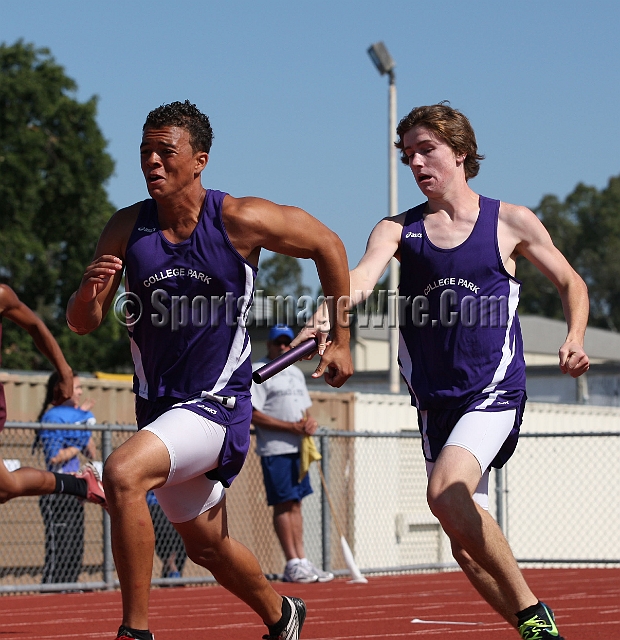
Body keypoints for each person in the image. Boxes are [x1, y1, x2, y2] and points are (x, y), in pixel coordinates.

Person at [298, 103, 588, 639]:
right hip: (435, 401)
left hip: (493, 388)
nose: (417, 163)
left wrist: (573, 338)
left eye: (426, 150)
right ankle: (536, 634)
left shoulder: (511, 221)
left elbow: (573, 283)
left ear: (459, 151)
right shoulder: (399, 230)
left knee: (444, 491)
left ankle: (534, 617)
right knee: (466, 548)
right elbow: (361, 278)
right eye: (408, 155)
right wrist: (323, 317)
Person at [66, 100, 352, 640]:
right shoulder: (126, 227)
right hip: (159, 410)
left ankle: (135, 632)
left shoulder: (237, 218)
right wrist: (87, 293)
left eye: (164, 152)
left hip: (217, 406)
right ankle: (282, 615)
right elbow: (83, 323)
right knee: (206, 546)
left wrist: (341, 339)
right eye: (145, 151)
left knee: (123, 475)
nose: (151, 161)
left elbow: (327, 245)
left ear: (198, 161)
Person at [0, 284, 105, 508]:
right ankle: (81, 485)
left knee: (4, 488)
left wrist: (65, 372)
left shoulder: (1, 295)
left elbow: (35, 326)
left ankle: (80, 485)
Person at [251, 324, 334, 584]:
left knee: (296, 503)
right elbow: (253, 414)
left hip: (299, 449)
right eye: (279, 343)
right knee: (284, 504)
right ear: (270, 345)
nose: (284, 347)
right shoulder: (259, 371)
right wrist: (291, 427)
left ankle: (302, 560)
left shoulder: (297, 373)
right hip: (276, 449)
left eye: (288, 343)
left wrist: (309, 423)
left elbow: (304, 410)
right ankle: (292, 561)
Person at [36, 371, 98, 585]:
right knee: (60, 545)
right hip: (57, 487)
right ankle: (53, 586)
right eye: (76, 387)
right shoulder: (53, 417)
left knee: (75, 544)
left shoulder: (78, 414)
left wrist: (84, 421)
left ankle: (70, 585)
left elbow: (92, 453)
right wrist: (78, 441)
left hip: (76, 489)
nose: (80, 392)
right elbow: (54, 457)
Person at [146, 490, 187, 580]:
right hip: (155, 503)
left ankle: (172, 575)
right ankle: (172, 571)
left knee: (181, 542)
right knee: (165, 538)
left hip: (177, 503)